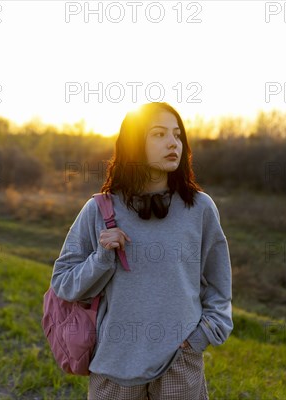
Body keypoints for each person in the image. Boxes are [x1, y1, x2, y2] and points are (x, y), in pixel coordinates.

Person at [50, 102, 233, 400]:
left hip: (179, 363)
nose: (172, 142)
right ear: (135, 143)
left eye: (177, 135)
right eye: (159, 134)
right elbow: (62, 283)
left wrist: (200, 338)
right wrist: (102, 258)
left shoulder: (200, 208)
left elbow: (219, 286)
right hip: (114, 365)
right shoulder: (99, 209)